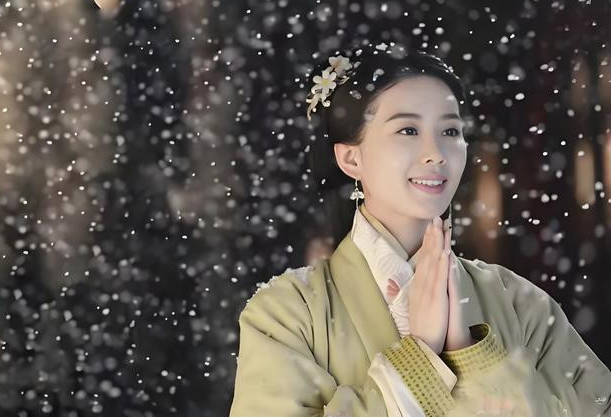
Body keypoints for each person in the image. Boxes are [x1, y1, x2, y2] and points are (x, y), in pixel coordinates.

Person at [228, 42, 611, 417]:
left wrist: (467, 350)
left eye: (450, 131)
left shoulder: (518, 301)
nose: (436, 153)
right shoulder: (287, 313)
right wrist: (420, 356)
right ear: (351, 158)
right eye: (408, 130)